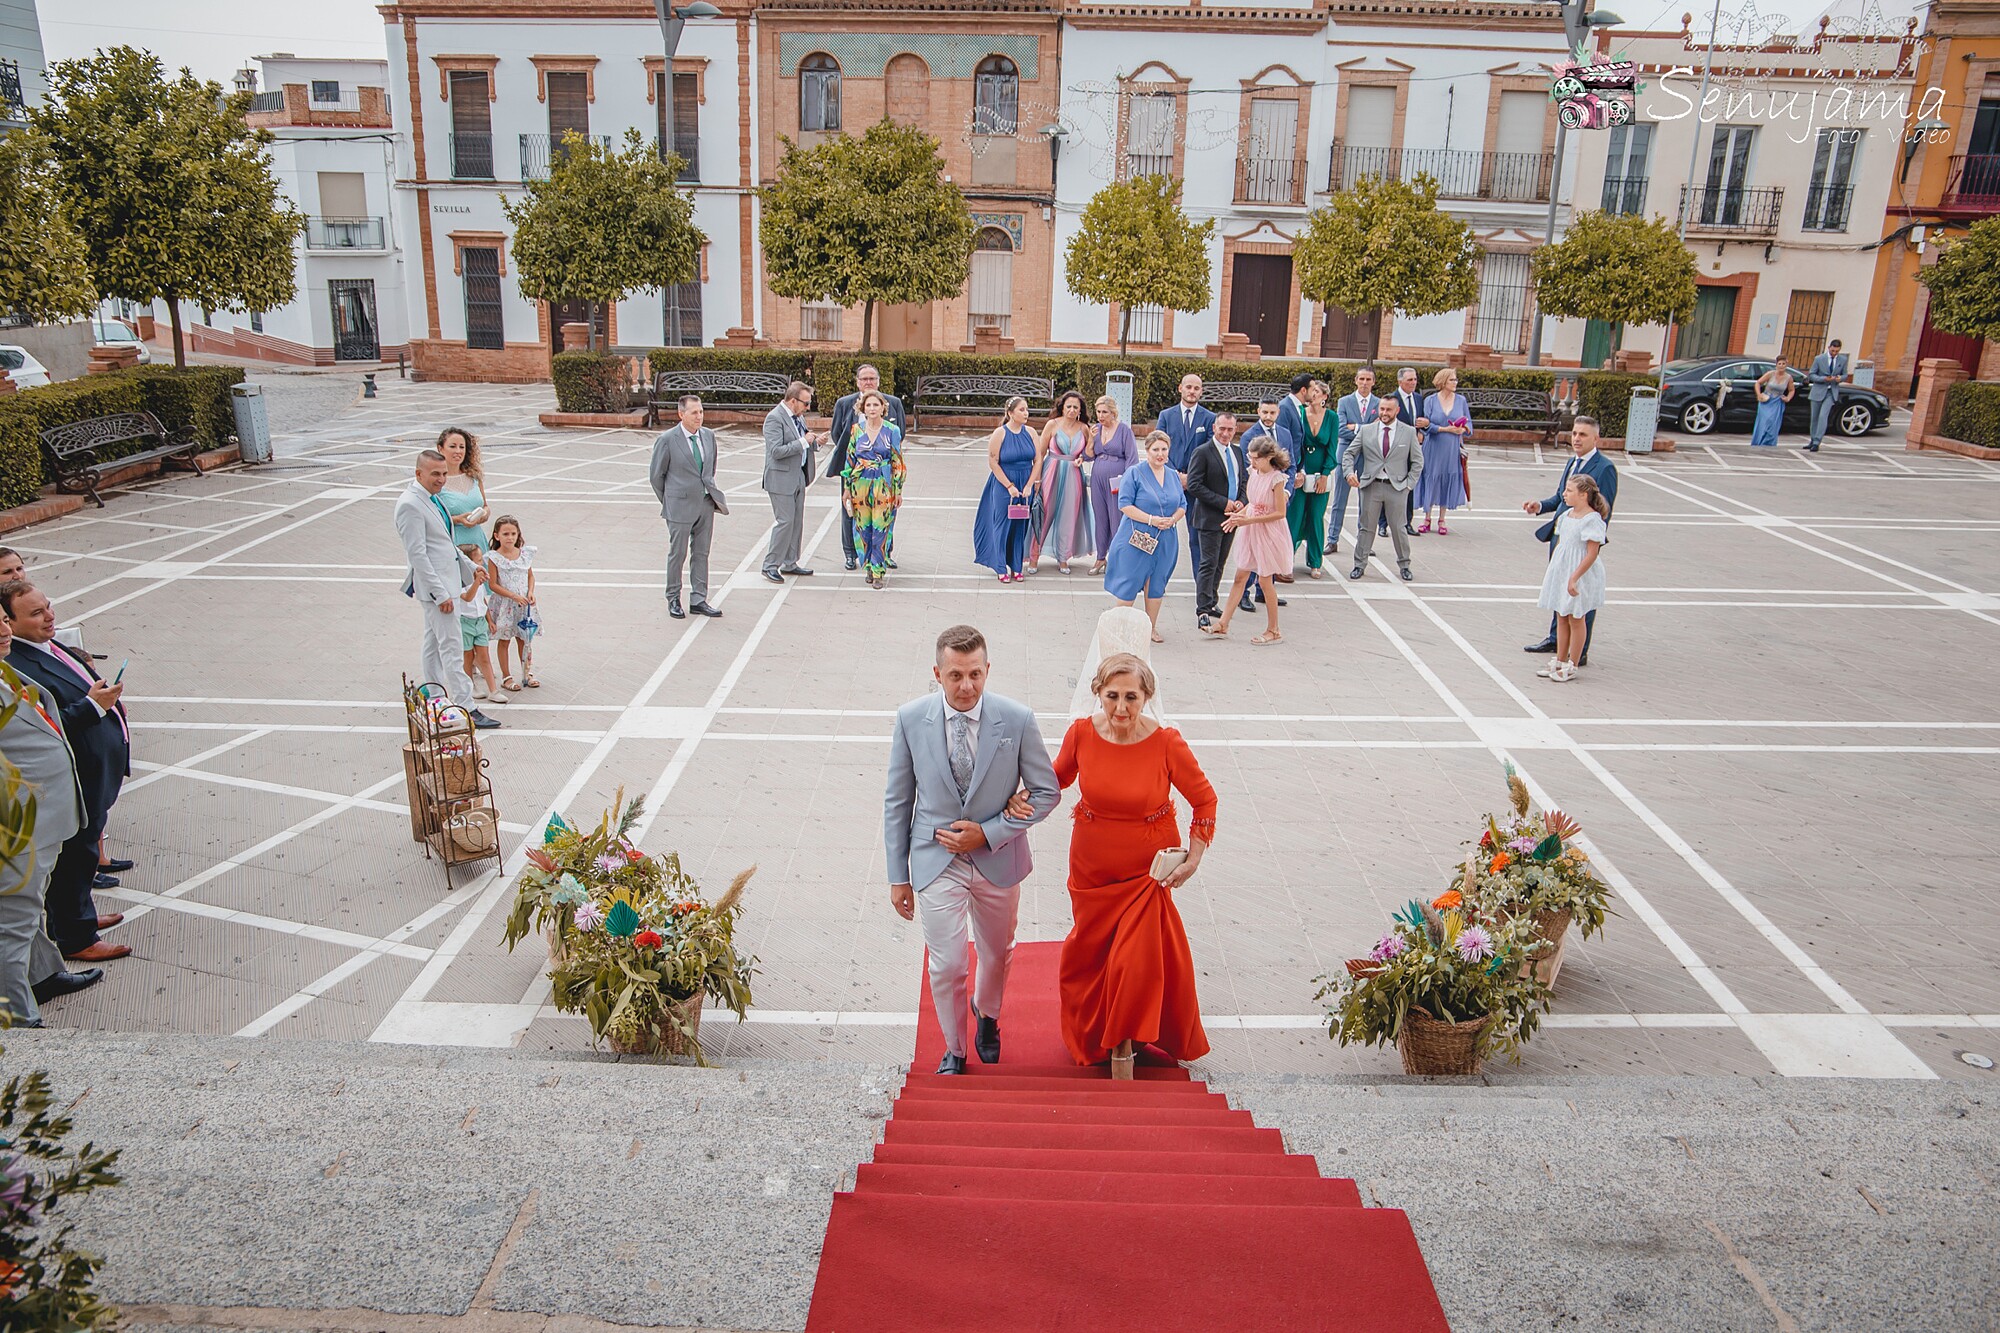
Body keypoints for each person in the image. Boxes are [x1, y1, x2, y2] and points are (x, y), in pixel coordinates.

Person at [883, 624, 1060, 1074]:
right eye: (956, 675)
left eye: (975, 675)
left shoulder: (1016, 719)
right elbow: (898, 801)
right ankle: (955, 1048)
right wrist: (898, 876)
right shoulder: (910, 719)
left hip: (998, 861)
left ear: (987, 670)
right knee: (947, 965)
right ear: (937, 674)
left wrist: (990, 832)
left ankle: (988, 1014)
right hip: (936, 860)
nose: (967, 686)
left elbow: (1047, 792)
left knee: (997, 953)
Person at [1053, 652, 1215, 1078]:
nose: (1121, 708)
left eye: (1131, 697)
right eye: (1112, 696)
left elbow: (1205, 800)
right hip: (1092, 869)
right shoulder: (1081, 734)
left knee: (1133, 960)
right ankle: (1099, 1033)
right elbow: (1055, 780)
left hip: (1146, 872)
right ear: (1098, 693)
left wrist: (1194, 858)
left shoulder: (1167, 743)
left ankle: (1122, 1044)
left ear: (1147, 698)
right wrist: (1012, 801)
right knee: (1091, 954)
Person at [2, 581, 130, 965]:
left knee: (83, 854)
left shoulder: (49, 644)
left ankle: (79, 917)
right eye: (36, 613)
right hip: (72, 778)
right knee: (74, 859)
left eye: (48, 606)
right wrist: (93, 706)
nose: (49, 616)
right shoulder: (17, 664)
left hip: (95, 771)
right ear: (10, 621)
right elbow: (46, 726)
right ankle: (76, 935)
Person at [0, 611, 103, 1025]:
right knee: (13, 925)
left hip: (46, 820)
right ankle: (18, 1019)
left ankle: (42, 977)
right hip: (19, 828)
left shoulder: (6, 669)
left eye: (3, 621)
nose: (5, 631)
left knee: (28, 912)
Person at [394, 450, 496, 729]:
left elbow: (446, 544)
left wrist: (471, 566)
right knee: (451, 647)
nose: (441, 479)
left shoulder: (432, 498)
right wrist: (440, 594)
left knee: (432, 644)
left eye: (443, 474)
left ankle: (436, 698)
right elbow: (418, 555)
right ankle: (466, 706)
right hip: (438, 590)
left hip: (447, 583)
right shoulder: (410, 505)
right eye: (435, 474)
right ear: (419, 474)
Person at [1523, 415, 1618, 666]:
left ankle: (1579, 652)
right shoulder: (1571, 462)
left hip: (1582, 543)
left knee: (1580, 598)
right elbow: (1560, 497)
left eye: (1583, 434)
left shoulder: (1604, 468)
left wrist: (1592, 543)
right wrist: (1540, 506)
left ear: (1596, 438)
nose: (1576, 438)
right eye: (1574, 433)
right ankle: (1557, 642)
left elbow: (1604, 509)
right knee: (1560, 592)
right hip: (1561, 539)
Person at [649, 394, 729, 620]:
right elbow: (656, 476)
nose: (699, 416)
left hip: (705, 503)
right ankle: (673, 598)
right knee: (678, 554)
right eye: (694, 412)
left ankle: (699, 599)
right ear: (681, 414)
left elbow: (710, 469)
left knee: (702, 553)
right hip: (679, 506)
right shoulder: (667, 440)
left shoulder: (708, 436)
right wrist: (671, 500)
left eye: (701, 412)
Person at [1207, 436, 1292, 645]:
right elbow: (1253, 504)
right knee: (1240, 576)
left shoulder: (1277, 479)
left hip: (1268, 531)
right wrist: (1239, 516)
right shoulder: (1254, 472)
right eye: (1250, 457)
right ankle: (1223, 623)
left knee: (1264, 580)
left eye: (1256, 458)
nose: (1252, 462)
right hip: (1251, 527)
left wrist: (1248, 520)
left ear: (1268, 457)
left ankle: (1274, 630)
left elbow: (1280, 513)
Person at [1103, 430, 1186, 643]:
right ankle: (1118, 628)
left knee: (1157, 583)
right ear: (1147, 451)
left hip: (1165, 537)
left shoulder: (1173, 475)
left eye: (1164, 449)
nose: (1160, 454)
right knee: (1129, 581)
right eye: (1155, 449)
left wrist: (1172, 519)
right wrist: (1151, 520)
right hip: (1137, 535)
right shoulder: (1134, 473)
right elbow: (1124, 504)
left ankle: (1150, 627)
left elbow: (1182, 505)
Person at [825, 365, 906, 570]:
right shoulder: (844, 404)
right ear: (857, 382)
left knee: (885, 515)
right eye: (864, 379)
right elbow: (838, 434)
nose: (868, 382)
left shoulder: (894, 403)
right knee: (851, 513)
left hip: (884, 474)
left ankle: (885, 554)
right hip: (855, 471)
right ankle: (851, 554)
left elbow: (900, 434)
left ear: (878, 381)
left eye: (872, 378)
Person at [1536, 474, 1609, 684]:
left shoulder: (1592, 520)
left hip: (1580, 571)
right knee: (1561, 614)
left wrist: (1574, 577)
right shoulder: (1566, 515)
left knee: (1576, 618)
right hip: (1563, 568)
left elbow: (1592, 553)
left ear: (1583, 495)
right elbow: (1563, 545)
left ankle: (1573, 664)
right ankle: (1560, 660)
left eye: (1569, 491)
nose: (1564, 494)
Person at [1342, 396, 1422, 582]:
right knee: (1366, 527)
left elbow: (1417, 461)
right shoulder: (1367, 431)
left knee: (1399, 528)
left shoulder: (1408, 432)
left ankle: (1404, 565)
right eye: (1382, 409)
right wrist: (1349, 473)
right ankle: (1359, 565)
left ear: (1397, 411)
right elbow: (1349, 453)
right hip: (1371, 485)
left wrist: (1408, 485)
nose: (1384, 413)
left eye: (1388, 410)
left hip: (1397, 487)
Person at [1184, 411, 1248, 632]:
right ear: (1214, 428)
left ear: (1235, 430)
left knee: (1220, 563)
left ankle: (1211, 601)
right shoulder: (1202, 452)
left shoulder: (1237, 452)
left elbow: (1243, 481)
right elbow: (1194, 485)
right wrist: (1223, 503)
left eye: (1230, 429)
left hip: (1231, 518)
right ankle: (1202, 610)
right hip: (1210, 518)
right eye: (1222, 428)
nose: (1225, 433)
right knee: (1208, 564)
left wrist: (1241, 502)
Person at [841, 390, 906, 590]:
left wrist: (898, 490)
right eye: (868, 405)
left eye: (875, 405)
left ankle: (878, 571)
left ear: (882, 407)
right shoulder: (856, 430)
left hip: (883, 484)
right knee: (863, 528)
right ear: (863, 408)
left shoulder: (892, 430)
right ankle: (868, 566)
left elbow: (897, 461)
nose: (872, 409)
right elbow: (850, 459)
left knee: (881, 527)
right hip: (860, 483)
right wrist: (847, 488)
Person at [761, 381, 822, 583]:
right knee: (785, 522)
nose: (808, 407)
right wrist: (804, 441)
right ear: (793, 400)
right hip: (780, 479)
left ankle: (790, 562)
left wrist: (815, 443)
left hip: (798, 476)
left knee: (796, 522)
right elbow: (776, 451)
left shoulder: (798, 416)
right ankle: (770, 565)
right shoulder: (774, 418)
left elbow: (803, 441)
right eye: (805, 403)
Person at [972, 397, 1039, 582]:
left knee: (1020, 525)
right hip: (1004, 484)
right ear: (1010, 413)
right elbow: (993, 462)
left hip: (1025, 483)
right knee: (1002, 525)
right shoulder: (1000, 433)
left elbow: (1038, 460)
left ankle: (1017, 566)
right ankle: (1000, 566)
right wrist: (1009, 486)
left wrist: (1029, 484)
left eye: (1026, 409)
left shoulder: (1031, 432)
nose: (1026, 413)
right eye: (1021, 410)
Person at [1154, 374, 1214, 576]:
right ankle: (1155, 579)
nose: (1192, 391)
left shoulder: (1209, 418)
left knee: (1196, 537)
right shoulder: (1166, 416)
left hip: (1196, 486)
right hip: (1169, 483)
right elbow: (1158, 447)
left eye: (1196, 388)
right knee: (1160, 530)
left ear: (1201, 391)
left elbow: (1210, 451)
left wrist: (1191, 478)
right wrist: (1175, 476)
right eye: (1188, 387)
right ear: (1180, 388)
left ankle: (1201, 583)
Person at [1032, 390, 1092, 575]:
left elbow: (1090, 453)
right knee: (1044, 512)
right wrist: (1037, 478)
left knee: (1068, 516)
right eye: (1069, 406)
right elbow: (1040, 453)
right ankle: (1034, 555)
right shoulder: (1052, 424)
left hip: (1074, 474)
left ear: (1080, 410)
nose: (1072, 410)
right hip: (1051, 472)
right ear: (1062, 407)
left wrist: (1084, 455)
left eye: (1076, 407)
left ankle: (1063, 557)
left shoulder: (1084, 428)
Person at [1287, 379, 1338, 579]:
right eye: (1312, 390)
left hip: (1320, 474)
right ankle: (1286, 560)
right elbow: (1295, 442)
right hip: (1301, 473)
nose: (1313, 394)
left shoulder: (1331, 417)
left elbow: (1332, 448)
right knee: (1295, 516)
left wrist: (1325, 474)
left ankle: (1315, 562)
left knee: (1316, 517)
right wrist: (1297, 470)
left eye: (1317, 391)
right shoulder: (1300, 413)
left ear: (1325, 396)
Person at [1327, 369, 1378, 558]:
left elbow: (1379, 430)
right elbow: (1340, 430)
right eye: (1361, 379)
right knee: (1339, 499)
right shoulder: (1344, 402)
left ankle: (1364, 543)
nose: (1364, 382)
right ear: (1356, 380)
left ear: (1373, 382)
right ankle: (1332, 539)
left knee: (1367, 502)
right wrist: (1367, 429)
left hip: (1369, 455)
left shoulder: (1378, 403)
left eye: (1368, 379)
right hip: (1346, 454)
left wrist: (1355, 427)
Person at [1085, 395, 1137, 577]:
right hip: (1097, 477)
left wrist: (1126, 482)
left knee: (1116, 519)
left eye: (1104, 412)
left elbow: (1132, 459)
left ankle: (1118, 559)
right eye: (1098, 412)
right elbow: (1088, 455)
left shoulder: (1124, 430)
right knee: (1100, 518)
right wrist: (1091, 439)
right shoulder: (1096, 429)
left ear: (1113, 413)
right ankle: (1100, 557)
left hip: (1117, 479)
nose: (1100, 416)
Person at [1414, 369, 1470, 533]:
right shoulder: (1430, 400)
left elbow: (1469, 423)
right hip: (1433, 445)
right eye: (1452, 380)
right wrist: (1445, 429)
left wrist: (1463, 429)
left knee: (1447, 478)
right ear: (1443, 382)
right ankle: (1427, 518)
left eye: (1456, 380)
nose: (1455, 382)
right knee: (1431, 477)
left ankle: (1442, 519)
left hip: (1451, 447)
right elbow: (1425, 425)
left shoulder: (1461, 400)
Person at [486, 517, 538, 691]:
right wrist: (513, 596)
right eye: (506, 534)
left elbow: (530, 576)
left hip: (523, 604)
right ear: (497, 536)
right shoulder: (494, 557)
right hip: (505, 605)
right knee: (504, 640)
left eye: (513, 534)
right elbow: (493, 584)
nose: (510, 537)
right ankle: (506, 676)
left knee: (525, 639)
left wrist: (530, 592)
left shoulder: (524, 554)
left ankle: (527, 672)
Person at [456, 544, 504, 704]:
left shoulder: (480, 581)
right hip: (465, 622)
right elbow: (468, 597)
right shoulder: (459, 581)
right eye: (478, 561)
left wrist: (489, 620)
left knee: (485, 657)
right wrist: (476, 581)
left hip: (480, 622)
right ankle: (470, 686)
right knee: (468, 656)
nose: (481, 564)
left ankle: (493, 690)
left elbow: (482, 601)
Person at [435, 427, 490, 549]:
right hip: (453, 543)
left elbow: (485, 506)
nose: (458, 451)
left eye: (462, 447)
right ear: (440, 448)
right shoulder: (436, 481)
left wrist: (484, 514)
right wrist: (457, 520)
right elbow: (431, 518)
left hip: (478, 542)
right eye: (452, 446)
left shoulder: (474, 476)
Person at [1805, 338, 1850, 452]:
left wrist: (1840, 378)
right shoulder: (1819, 359)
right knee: (1814, 418)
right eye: (1832, 350)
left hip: (1831, 392)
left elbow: (1845, 374)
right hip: (1818, 391)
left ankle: (1817, 441)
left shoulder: (1843, 360)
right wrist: (1824, 379)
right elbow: (1812, 374)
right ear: (1829, 348)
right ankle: (1812, 440)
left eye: (1837, 351)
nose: (1834, 353)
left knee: (1823, 416)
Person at [1752, 357, 1796, 449]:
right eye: (1779, 364)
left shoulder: (1789, 378)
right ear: (1776, 365)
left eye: (1783, 364)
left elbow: (1791, 390)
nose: (1781, 366)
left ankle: (1768, 444)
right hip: (1766, 401)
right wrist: (1759, 394)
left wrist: (1788, 398)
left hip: (1777, 403)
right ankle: (1758, 442)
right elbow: (1758, 383)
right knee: (1765, 422)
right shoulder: (1770, 374)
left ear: (1786, 365)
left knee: (1773, 424)